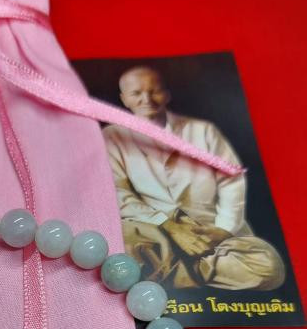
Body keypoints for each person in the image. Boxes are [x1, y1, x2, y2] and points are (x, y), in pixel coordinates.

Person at [102, 66, 285, 290]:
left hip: (211, 230)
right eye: (136, 93)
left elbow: (231, 179)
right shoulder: (112, 136)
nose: (146, 99)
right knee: (124, 240)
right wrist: (168, 225)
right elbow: (118, 192)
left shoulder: (203, 131)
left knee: (269, 267)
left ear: (166, 94)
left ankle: (174, 270)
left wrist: (223, 229)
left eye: (154, 91)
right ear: (124, 99)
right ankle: (192, 268)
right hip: (155, 227)